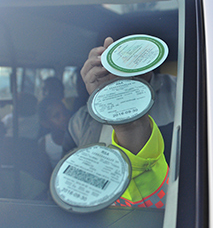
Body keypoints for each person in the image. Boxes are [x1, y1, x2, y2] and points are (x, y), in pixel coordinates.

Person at [79, 37, 169, 208]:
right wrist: (107, 97)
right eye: (113, 56)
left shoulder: (187, 92)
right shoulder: (81, 120)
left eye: (133, 50)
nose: (124, 59)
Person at [62, 37, 176, 162]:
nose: (127, 61)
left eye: (135, 52)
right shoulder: (80, 121)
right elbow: (68, 174)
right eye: (117, 57)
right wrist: (104, 96)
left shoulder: (181, 92)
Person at [38, 97, 70, 169]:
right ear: (45, 123)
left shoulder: (78, 136)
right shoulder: (44, 143)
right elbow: (46, 172)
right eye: (57, 116)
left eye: (65, 113)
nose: (64, 118)